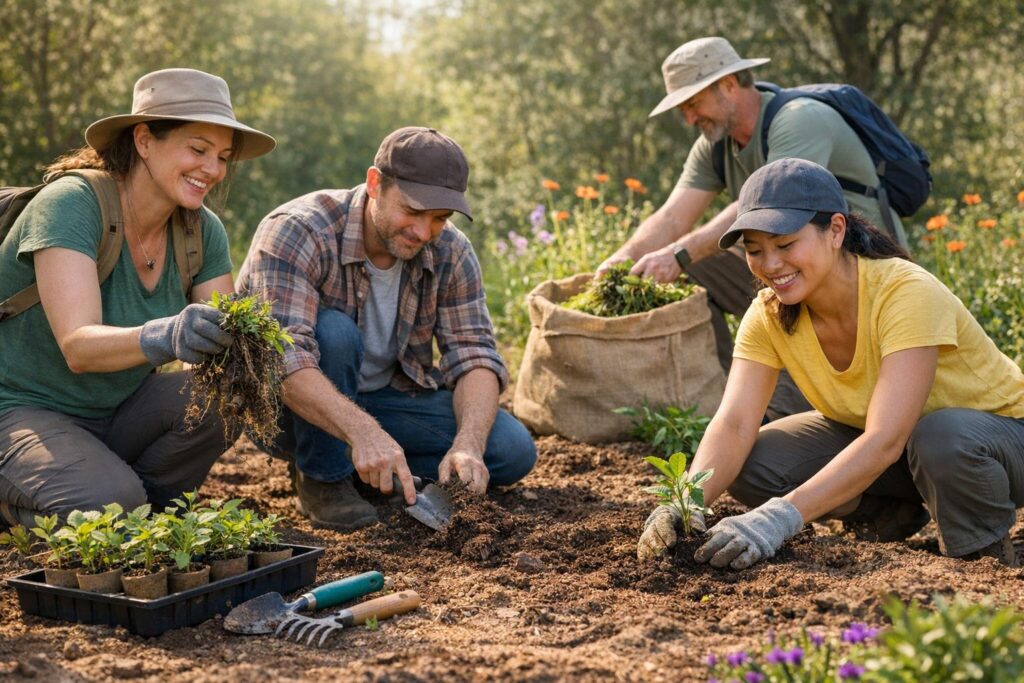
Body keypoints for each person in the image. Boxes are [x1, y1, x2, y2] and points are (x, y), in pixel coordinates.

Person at [637, 158, 1024, 569]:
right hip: (909, 457)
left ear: (836, 230)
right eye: (754, 250)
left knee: (941, 434)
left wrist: (778, 518)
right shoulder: (769, 313)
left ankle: (981, 555)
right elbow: (734, 424)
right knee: (756, 461)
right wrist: (684, 500)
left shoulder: (904, 292)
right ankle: (887, 515)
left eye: (785, 245)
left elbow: (885, 439)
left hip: (999, 445)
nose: (770, 265)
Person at [0, 69, 276, 528]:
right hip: (21, 409)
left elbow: (218, 348)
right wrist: (167, 334)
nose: (213, 169)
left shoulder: (201, 230)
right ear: (144, 140)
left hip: (118, 410)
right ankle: (63, 502)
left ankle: (132, 512)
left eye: (224, 157)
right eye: (198, 149)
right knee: (113, 504)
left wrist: (245, 345)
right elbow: (78, 347)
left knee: (221, 401)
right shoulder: (72, 204)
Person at [237, 126, 537, 531]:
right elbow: (280, 361)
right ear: (375, 183)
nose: (423, 232)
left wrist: (467, 446)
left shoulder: (450, 249)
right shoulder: (299, 230)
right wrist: (362, 432)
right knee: (335, 333)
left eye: (439, 218)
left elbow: (475, 355)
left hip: (382, 400)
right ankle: (323, 477)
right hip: (289, 408)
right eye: (412, 211)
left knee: (510, 450)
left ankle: (376, 470)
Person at [598, 36, 907, 419]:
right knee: (684, 273)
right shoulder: (715, 146)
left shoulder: (798, 119)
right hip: (788, 255)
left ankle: (783, 411)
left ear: (728, 84)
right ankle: (733, 398)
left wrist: (678, 252)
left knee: (785, 425)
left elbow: (770, 206)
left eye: (693, 104)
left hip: (852, 266)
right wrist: (621, 261)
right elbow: (673, 217)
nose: (689, 119)